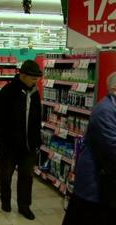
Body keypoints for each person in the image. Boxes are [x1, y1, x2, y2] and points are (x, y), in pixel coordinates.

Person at [0, 60, 42, 220]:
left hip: (28, 146)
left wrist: (36, 142)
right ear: (23, 75)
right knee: (6, 175)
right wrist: (0, 143)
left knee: (26, 177)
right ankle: (5, 201)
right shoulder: (7, 92)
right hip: (9, 146)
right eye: (33, 78)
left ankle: (24, 206)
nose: (36, 81)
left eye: (37, 79)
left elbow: (36, 119)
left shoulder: (35, 94)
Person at [62, 73, 116, 225]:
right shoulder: (105, 111)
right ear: (114, 89)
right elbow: (112, 147)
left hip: (104, 181)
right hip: (94, 183)